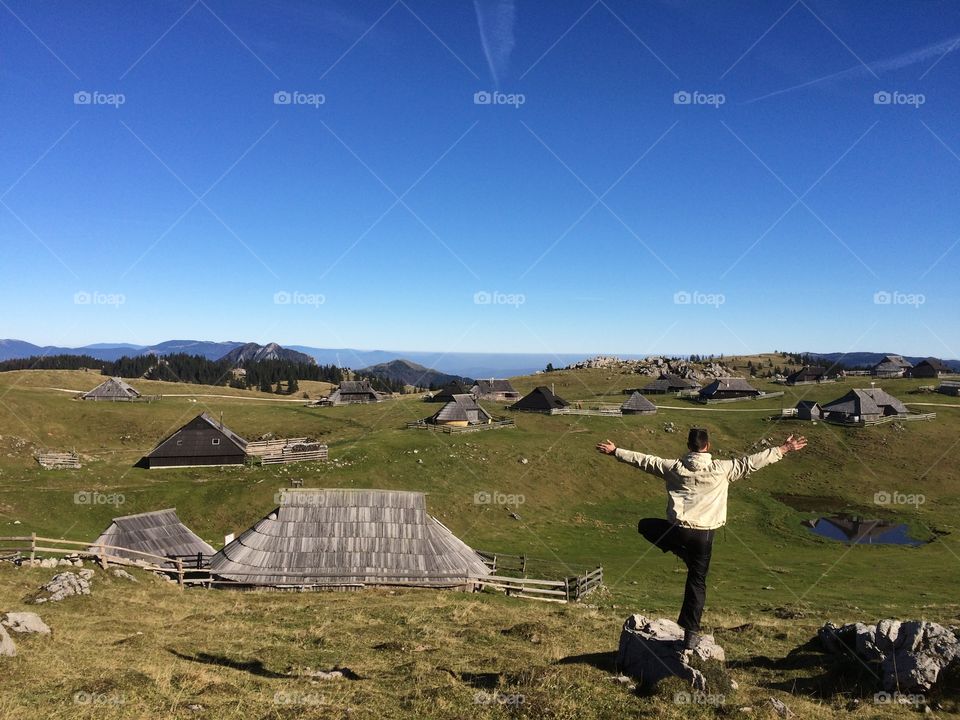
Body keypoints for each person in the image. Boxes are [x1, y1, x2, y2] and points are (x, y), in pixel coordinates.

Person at [596, 428, 807, 653]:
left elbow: (645, 461)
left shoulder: (673, 467)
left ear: (688, 445)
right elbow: (751, 462)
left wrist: (616, 451)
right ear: (708, 446)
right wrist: (784, 448)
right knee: (696, 582)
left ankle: (682, 553)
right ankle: (690, 635)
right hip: (704, 536)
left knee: (645, 525)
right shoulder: (722, 469)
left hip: (677, 531)